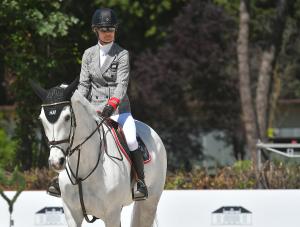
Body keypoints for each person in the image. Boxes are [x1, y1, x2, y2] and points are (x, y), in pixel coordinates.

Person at [48, 8, 148, 200]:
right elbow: (84, 84)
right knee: (71, 134)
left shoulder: (122, 54)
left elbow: (122, 84)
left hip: (117, 108)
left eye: (111, 29)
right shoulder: (88, 54)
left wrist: (112, 104)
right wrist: (78, 103)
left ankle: (140, 182)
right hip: (93, 107)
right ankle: (61, 180)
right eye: (104, 30)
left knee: (131, 138)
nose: (108, 33)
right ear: (96, 30)